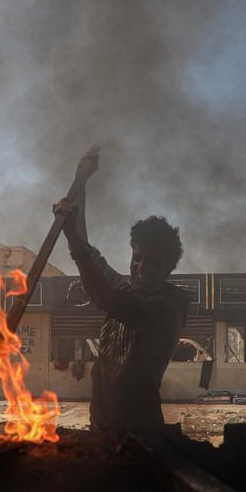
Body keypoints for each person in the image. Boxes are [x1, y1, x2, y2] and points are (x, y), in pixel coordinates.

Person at [54, 147, 189, 429]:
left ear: (167, 270)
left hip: (140, 431)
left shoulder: (167, 308)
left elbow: (105, 297)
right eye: (137, 258)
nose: (140, 268)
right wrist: (82, 183)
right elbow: (88, 253)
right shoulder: (125, 288)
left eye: (151, 264)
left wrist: (74, 242)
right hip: (102, 425)